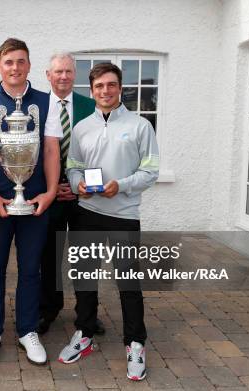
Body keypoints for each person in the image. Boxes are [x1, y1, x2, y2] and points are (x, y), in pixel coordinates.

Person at [62, 63, 159, 382]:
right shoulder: (81, 128)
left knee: (129, 284)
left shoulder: (141, 125)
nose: (106, 90)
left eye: (112, 85)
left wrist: (123, 184)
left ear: (120, 88)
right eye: (100, 86)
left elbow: (150, 171)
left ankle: (135, 343)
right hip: (86, 212)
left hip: (123, 215)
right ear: (91, 91)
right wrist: (77, 183)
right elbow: (73, 165)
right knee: (84, 278)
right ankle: (84, 333)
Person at [0, 38, 62, 366]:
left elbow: (51, 150)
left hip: (35, 200)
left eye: (21, 61)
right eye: (8, 62)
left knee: (30, 270)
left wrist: (51, 192)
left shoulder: (48, 102)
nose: (15, 67)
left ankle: (26, 330)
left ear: (29, 65)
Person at [37, 53, 106, 336]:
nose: (63, 77)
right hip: (48, 194)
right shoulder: (37, 107)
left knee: (85, 257)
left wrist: (80, 185)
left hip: (84, 196)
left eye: (68, 72)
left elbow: (101, 150)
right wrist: (53, 186)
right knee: (48, 257)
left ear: (74, 75)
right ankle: (48, 310)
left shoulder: (92, 106)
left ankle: (87, 314)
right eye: (58, 72)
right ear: (48, 75)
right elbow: (33, 152)